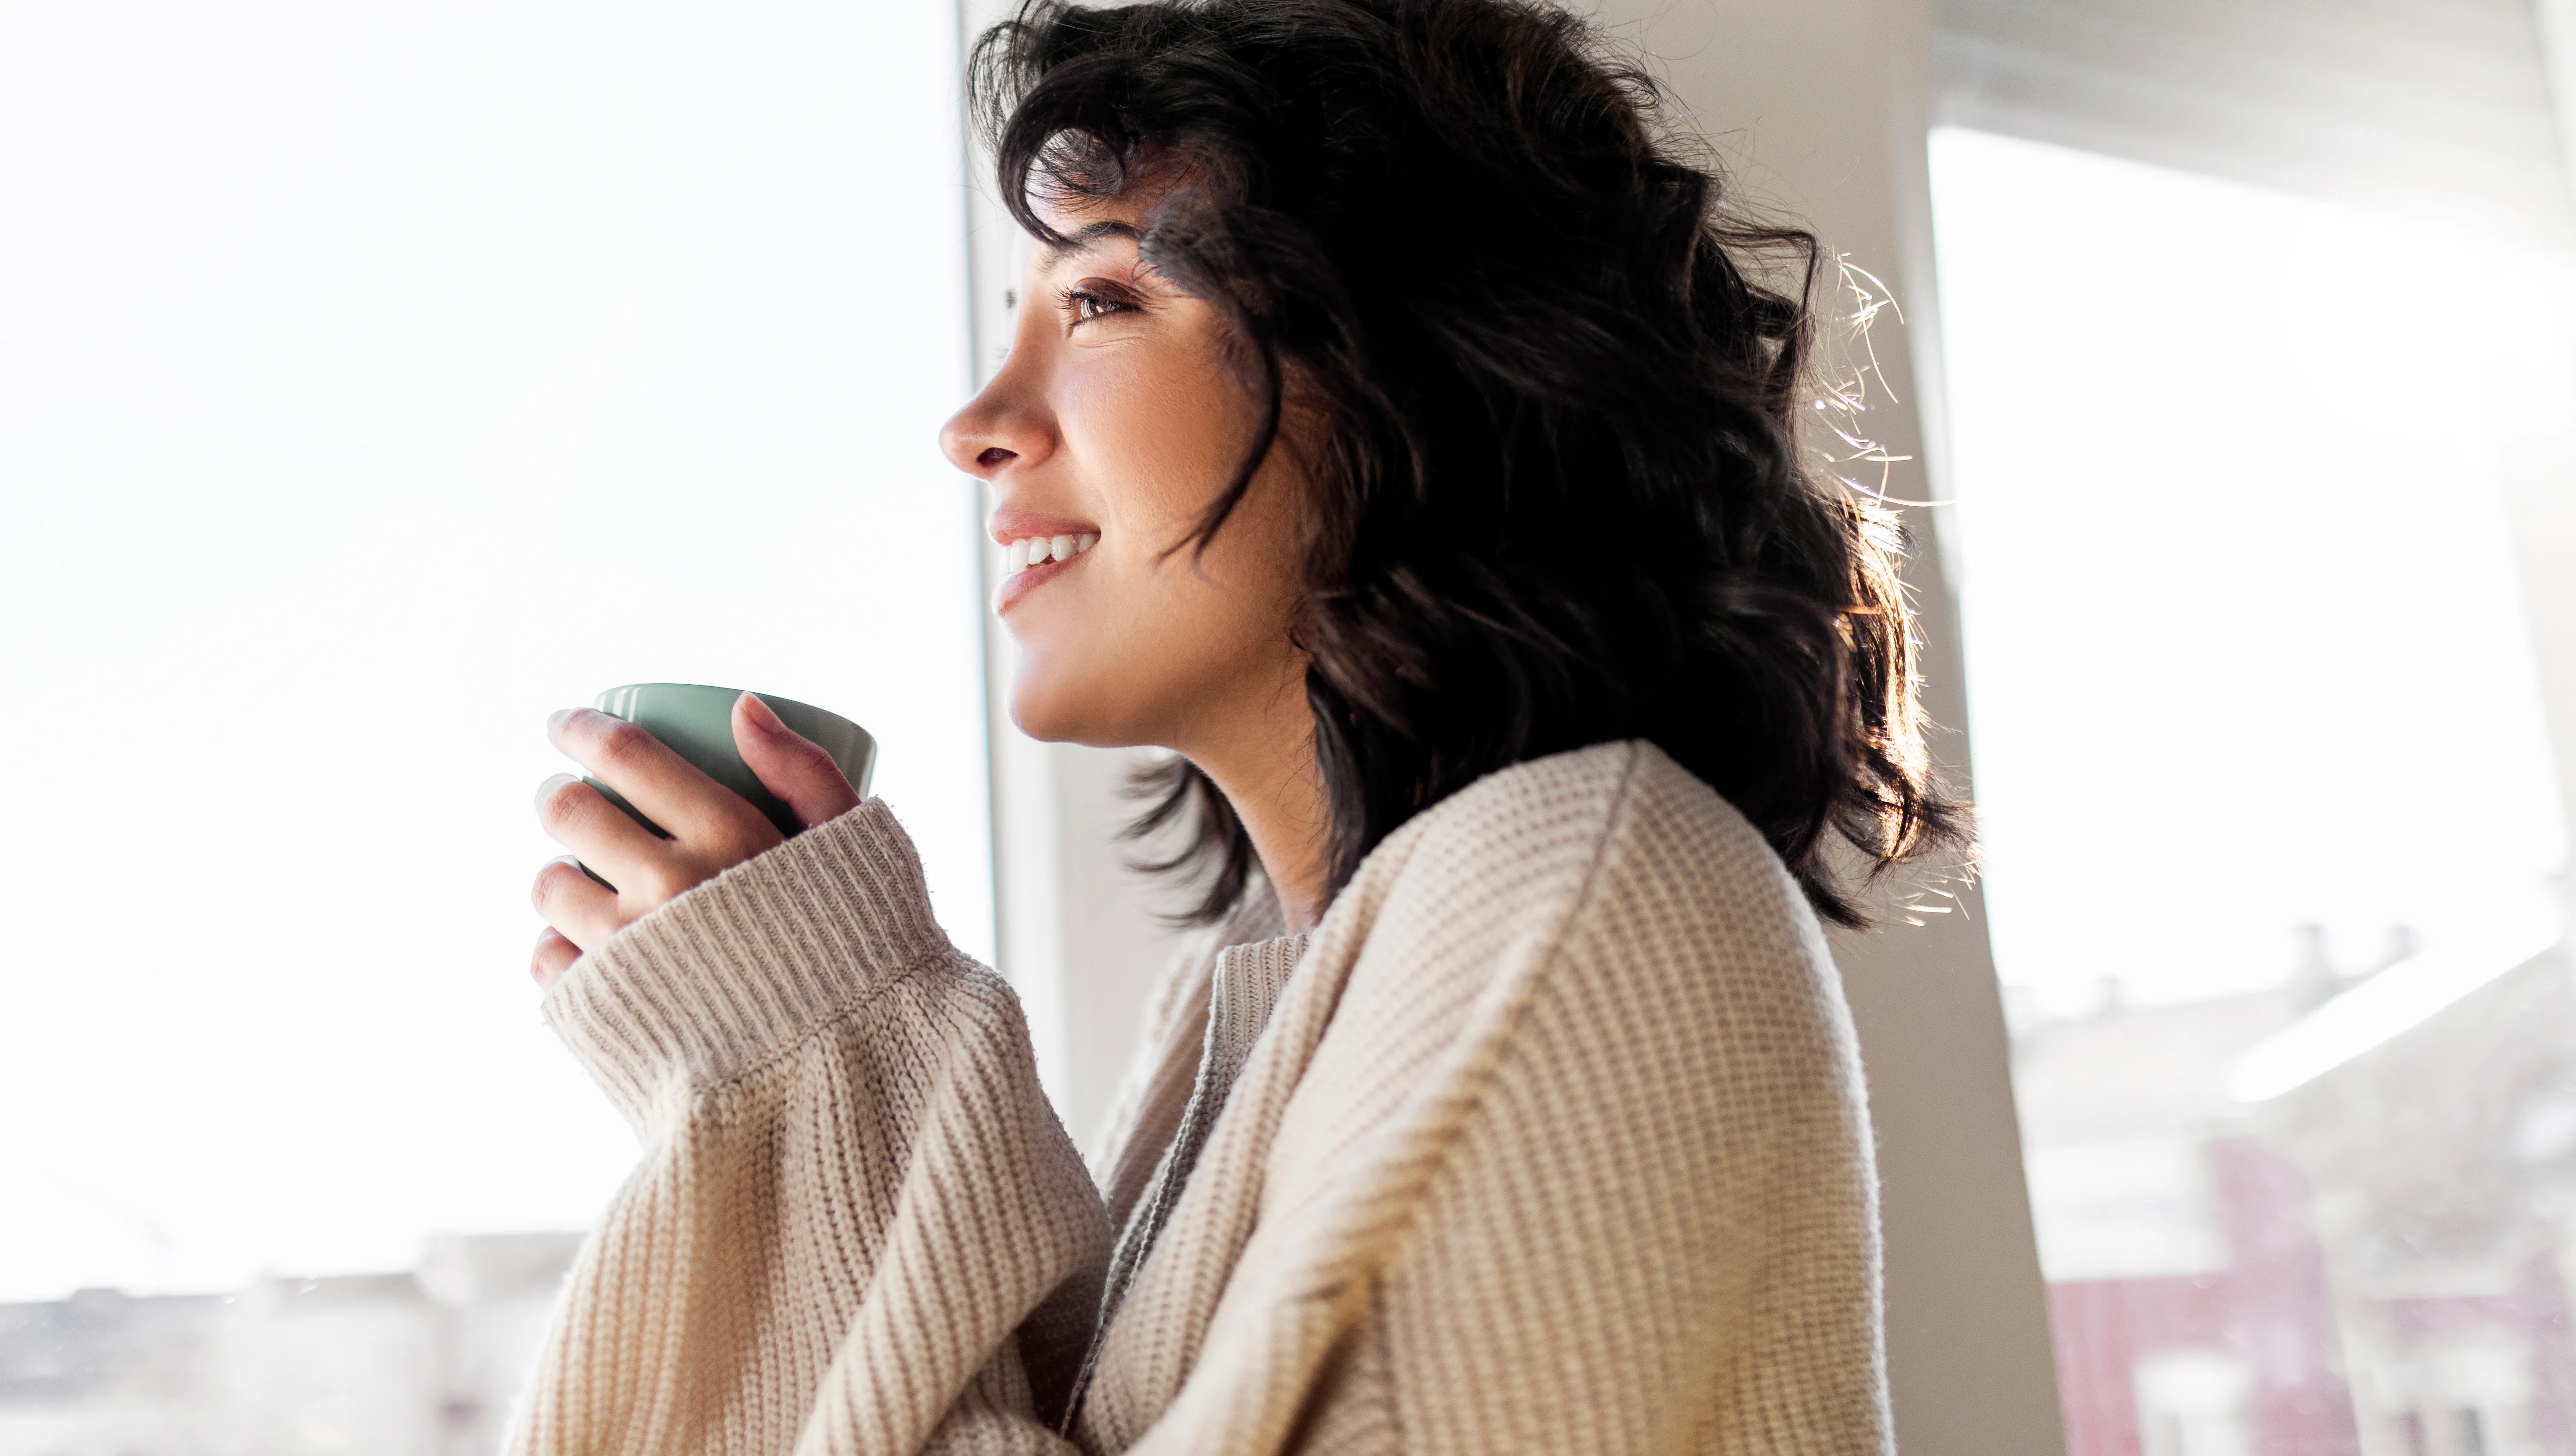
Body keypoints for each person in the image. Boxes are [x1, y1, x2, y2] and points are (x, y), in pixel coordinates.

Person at [517, 0, 1960, 1449]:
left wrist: (821, 1043)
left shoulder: (1582, 888)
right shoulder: (1235, 1030)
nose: (976, 424)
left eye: (1098, 301)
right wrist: (789, 1038)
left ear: (1410, 356)